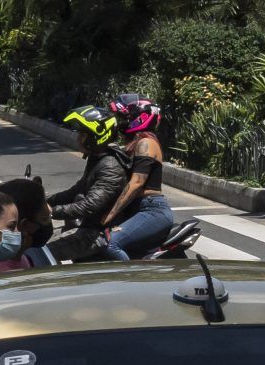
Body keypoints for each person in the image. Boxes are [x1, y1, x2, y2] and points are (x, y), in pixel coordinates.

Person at [47, 104, 138, 258]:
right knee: (40, 243)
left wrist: (52, 212)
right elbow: (76, 191)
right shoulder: (98, 158)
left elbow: (90, 205)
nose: (78, 139)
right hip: (88, 226)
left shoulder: (110, 165)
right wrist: (45, 201)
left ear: (96, 135)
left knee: (41, 253)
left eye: (83, 135)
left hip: (98, 234)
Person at [102, 96, 174, 258]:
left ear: (138, 118)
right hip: (137, 209)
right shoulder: (134, 144)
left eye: (124, 118)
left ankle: (129, 282)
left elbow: (136, 183)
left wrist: (110, 215)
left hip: (151, 209)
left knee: (110, 243)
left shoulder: (146, 143)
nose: (121, 122)